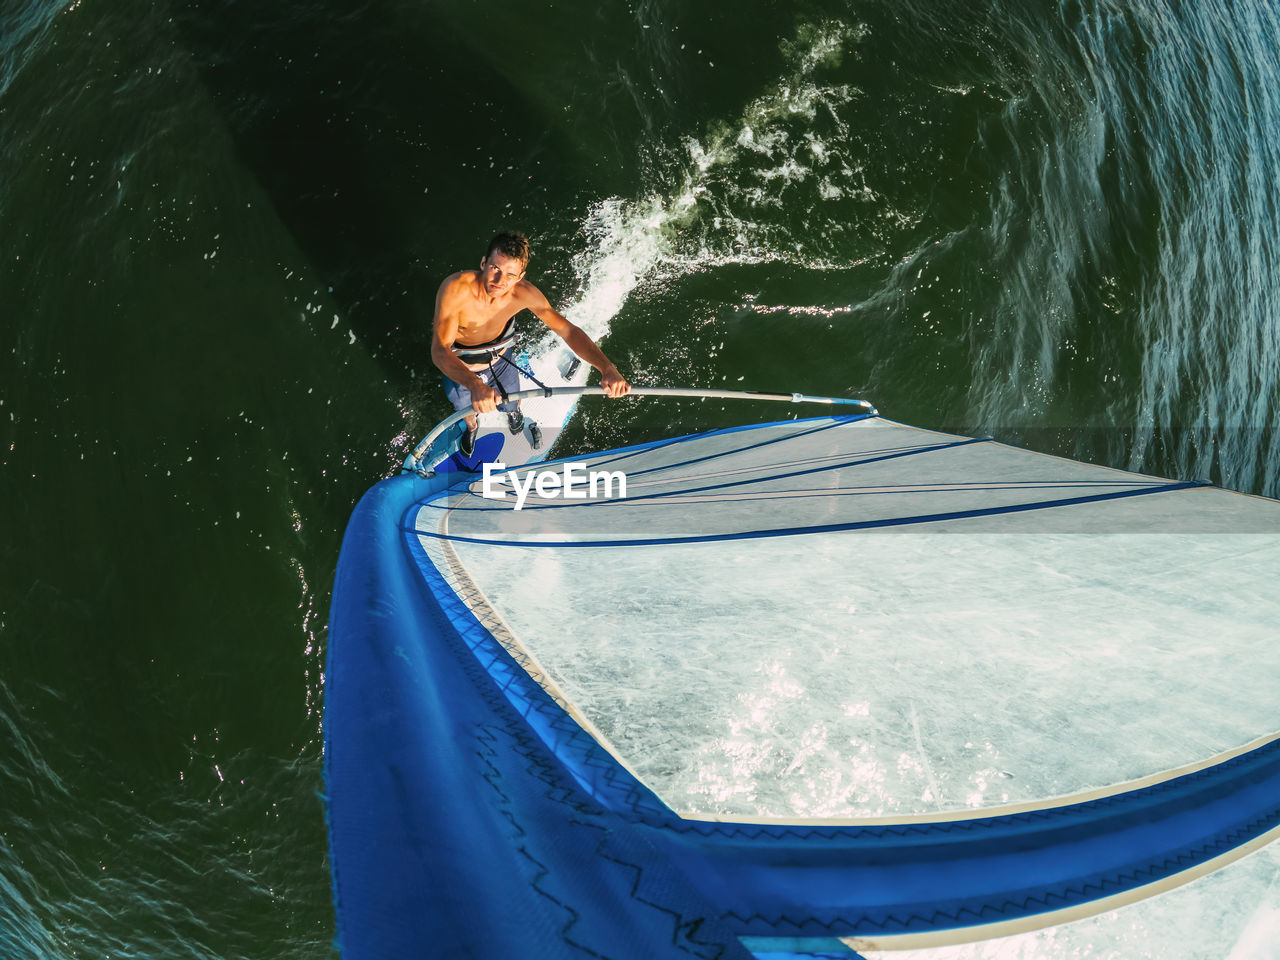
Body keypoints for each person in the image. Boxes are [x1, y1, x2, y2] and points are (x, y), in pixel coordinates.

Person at [431, 231, 630, 456]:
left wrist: (607, 367)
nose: (499, 281)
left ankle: (513, 414)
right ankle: (472, 427)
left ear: (520, 276)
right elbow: (439, 350)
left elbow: (568, 330)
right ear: (484, 263)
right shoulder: (455, 289)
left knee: (512, 401)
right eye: (495, 268)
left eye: (510, 274)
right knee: (466, 408)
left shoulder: (524, 294)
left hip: (501, 359)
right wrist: (474, 383)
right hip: (462, 366)